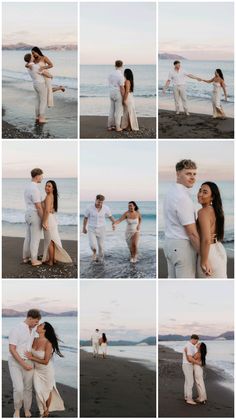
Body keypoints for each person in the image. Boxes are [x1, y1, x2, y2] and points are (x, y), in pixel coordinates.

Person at [163, 159, 200, 278]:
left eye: (194, 174)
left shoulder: (171, 192)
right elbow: (192, 233)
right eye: (188, 173)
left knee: (174, 287)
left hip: (169, 244)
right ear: (178, 174)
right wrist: (204, 256)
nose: (193, 177)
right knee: (185, 288)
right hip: (182, 247)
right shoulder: (182, 197)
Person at [25, 322, 65, 417]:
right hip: (37, 370)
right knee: (38, 391)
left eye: (40, 325)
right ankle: (42, 410)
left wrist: (31, 358)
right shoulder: (34, 340)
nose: (38, 326)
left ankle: (45, 411)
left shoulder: (48, 343)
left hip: (47, 371)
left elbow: (46, 361)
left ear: (44, 330)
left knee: (47, 390)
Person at [8, 309, 41, 418]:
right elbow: (12, 349)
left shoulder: (33, 329)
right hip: (16, 362)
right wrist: (23, 364)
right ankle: (17, 409)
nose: (37, 324)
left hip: (29, 362)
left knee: (28, 388)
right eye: (36, 321)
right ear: (29, 318)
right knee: (18, 388)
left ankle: (27, 409)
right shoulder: (16, 329)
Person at [196, 182, 227, 278]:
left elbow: (206, 239)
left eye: (205, 192)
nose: (200, 194)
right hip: (219, 249)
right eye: (200, 190)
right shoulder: (216, 211)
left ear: (212, 197)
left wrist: (204, 261)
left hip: (209, 253)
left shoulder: (203, 212)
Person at [41, 180, 72, 266]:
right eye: (46, 185)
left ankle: (50, 261)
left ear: (53, 188)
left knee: (50, 241)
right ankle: (53, 259)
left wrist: (44, 222)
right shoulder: (52, 196)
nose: (46, 187)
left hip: (49, 220)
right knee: (52, 240)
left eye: (49, 186)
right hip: (52, 219)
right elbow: (52, 209)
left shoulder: (48, 197)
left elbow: (47, 211)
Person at [82, 195, 116, 261]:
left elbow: (110, 216)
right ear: (96, 200)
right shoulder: (89, 207)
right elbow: (85, 218)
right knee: (93, 245)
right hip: (92, 228)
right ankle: (94, 252)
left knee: (101, 246)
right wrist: (84, 228)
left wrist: (114, 223)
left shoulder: (106, 208)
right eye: (98, 202)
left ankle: (100, 260)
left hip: (102, 229)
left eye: (101, 202)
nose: (100, 204)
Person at [23, 168, 44, 267]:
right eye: (41, 176)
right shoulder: (35, 189)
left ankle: (25, 258)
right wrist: (43, 219)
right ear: (37, 176)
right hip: (34, 214)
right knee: (35, 239)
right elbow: (38, 206)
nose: (42, 177)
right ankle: (34, 260)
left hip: (27, 213)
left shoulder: (27, 187)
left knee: (28, 237)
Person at [182, 334, 199, 405]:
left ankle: (186, 396)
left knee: (187, 381)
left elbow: (190, 357)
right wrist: (198, 363)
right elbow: (189, 358)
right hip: (188, 365)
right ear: (193, 339)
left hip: (186, 365)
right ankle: (189, 399)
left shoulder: (189, 345)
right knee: (190, 382)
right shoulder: (189, 346)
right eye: (196, 341)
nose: (197, 342)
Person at [107, 60, 125, 132]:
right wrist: (123, 97)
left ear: (115, 65)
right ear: (122, 66)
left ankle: (109, 126)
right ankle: (118, 127)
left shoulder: (110, 74)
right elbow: (122, 87)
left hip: (111, 92)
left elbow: (109, 82)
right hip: (117, 93)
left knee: (111, 110)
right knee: (118, 111)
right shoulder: (121, 75)